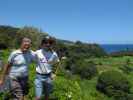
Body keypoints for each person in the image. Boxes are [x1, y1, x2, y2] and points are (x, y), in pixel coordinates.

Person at [35, 36, 59, 100]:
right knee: (38, 97)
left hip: (48, 77)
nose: (48, 44)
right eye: (46, 42)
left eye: (50, 43)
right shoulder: (37, 52)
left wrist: (54, 73)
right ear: (42, 43)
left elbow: (57, 63)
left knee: (47, 96)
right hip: (39, 76)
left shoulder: (54, 54)